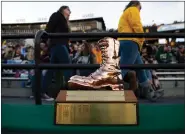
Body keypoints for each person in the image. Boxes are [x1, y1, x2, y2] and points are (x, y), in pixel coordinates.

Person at [117, 0, 164, 101]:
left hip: (127, 42)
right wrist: (142, 38)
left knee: (140, 68)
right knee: (123, 69)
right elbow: (137, 25)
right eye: (140, 8)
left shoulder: (125, 13)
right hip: (131, 42)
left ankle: (150, 93)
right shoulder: (133, 9)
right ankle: (111, 93)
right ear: (136, 5)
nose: (140, 10)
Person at [41, 5, 72, 99]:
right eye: (68, 9)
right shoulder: (57, 15)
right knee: (68, 67)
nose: (70, 11)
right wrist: (43, 40)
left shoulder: (65, 21)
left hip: (58, 46)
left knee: (52, 70)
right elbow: (49, 27)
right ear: (63, 9)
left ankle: (42, 91)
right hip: (58, 45)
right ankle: (69, 92)